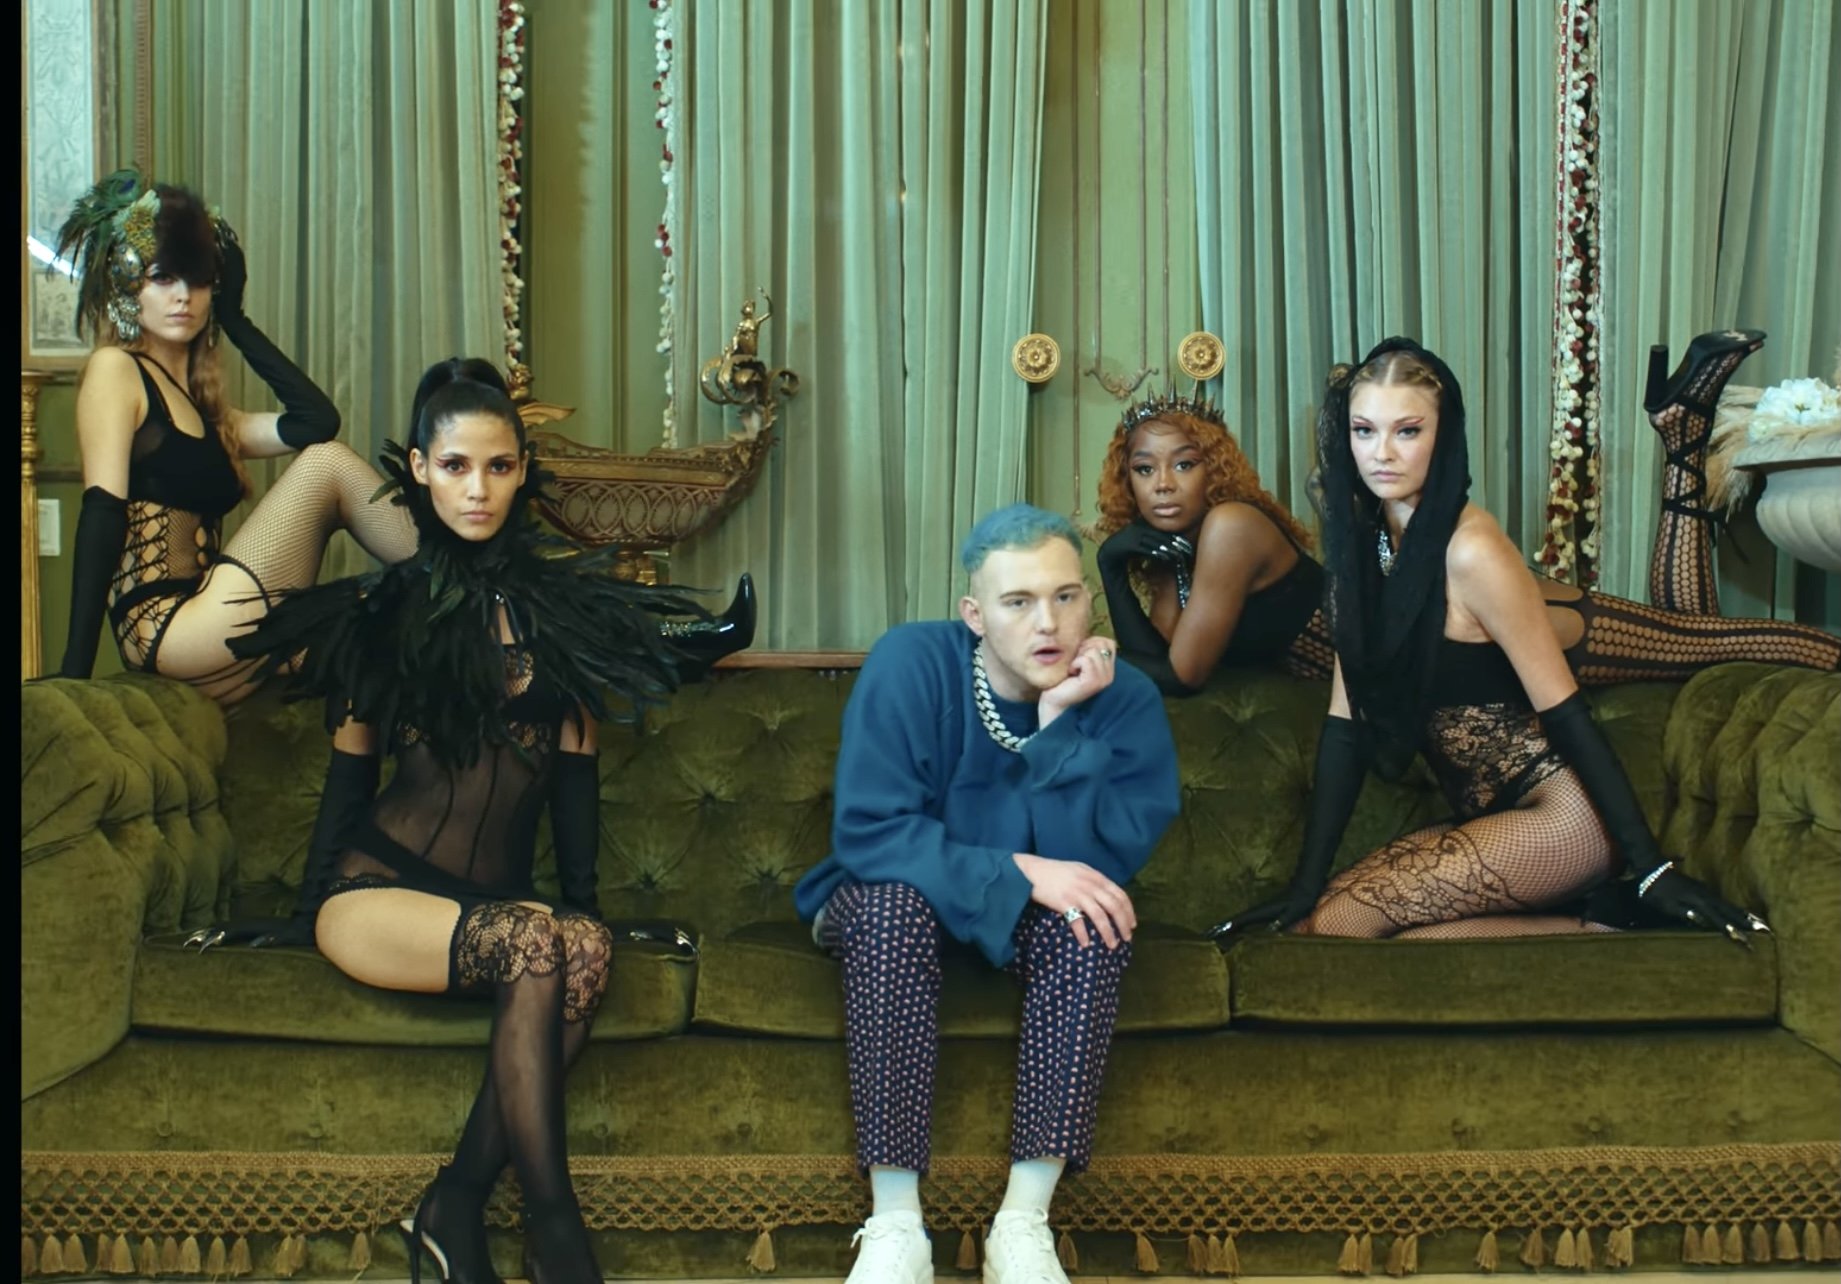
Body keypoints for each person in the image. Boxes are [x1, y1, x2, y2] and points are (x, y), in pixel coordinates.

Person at [189, 358, 706, 1283]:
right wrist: (304, 916)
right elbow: (351, 776)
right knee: (538, 944)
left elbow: (575, 779)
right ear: (420, 470)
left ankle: (453, 1204)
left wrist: (584, 910)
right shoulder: (386, 612)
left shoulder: (563, 618)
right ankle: (558, 1236)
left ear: (522, 471)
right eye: (457, 466)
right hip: (374, 893)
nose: (478, 489)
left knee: (581, 947)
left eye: (498, 467)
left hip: (492, 910)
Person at [1211, 337, 1771, 942]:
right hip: (1490, 817)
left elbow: (1567, 712)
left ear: (1443, 436)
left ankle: (1620, 921)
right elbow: (1344, 727)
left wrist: (1652, 868)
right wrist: (1304, 883)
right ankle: (1602, 923)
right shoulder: (1363, 549)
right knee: (1316, 923)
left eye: (1407, 431)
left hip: (1565, 817)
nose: (1382, 453)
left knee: (1342, 926)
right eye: (1364, 431)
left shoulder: (1472, 549)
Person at [792, 504, 1181, 1284]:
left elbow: (1094, 867)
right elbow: (871, 833)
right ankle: (896, 1227)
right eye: (1018, 602)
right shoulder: (910, 662)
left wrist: (1058, 724)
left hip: (1027, 919)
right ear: (974, 614)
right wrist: (1020, 871)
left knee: (1090, 921)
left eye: (1065, 596)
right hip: (895, 898)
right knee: (892, 907)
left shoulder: (1124, 697)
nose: (1048, 623)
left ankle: (1022, 1224)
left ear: (1088, 600)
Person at [1095, 338, 1841, 698]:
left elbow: (1181, 674)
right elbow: (1152, 657)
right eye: (1143, 469)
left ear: (1216, 466)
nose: (1164, 485)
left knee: (1712, 644)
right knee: (1700, 645)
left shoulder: (1229, 527)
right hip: (1445, 646)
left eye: (1184, 463)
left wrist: (1106, 562)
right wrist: (1136, 559)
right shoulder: (1178, 556)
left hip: (1495, 624)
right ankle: (1682, 433)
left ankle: (1684, 430)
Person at [52, 169, 422, 703]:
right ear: (129, 287)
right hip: (167, 628)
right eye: (163, 277)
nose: (184, 297)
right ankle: (467, 579)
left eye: (200, 280)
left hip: (211, 626)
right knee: (329, 463)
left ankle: (475, 608)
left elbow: (315, 421)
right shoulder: (117, 370)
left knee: (383, 634)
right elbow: (102, 514)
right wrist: (74, 678)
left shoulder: (210, 416)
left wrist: (235, 319)